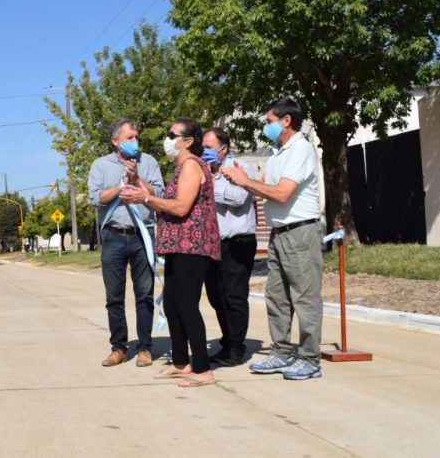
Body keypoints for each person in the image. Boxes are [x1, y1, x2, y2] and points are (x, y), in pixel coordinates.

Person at [222, 97, 324, 381]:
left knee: (304, 298)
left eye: (268, 122)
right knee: (277, 297)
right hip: (280, 234)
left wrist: (245, 182)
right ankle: (281, 352)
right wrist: (244, 180)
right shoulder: (277, 152)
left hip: (300, 232)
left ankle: (309, 358)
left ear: (286, 121)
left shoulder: (300, 149)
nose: (265, 127)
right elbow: (267, 189)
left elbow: (281, 193)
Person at [121, 117, 221, 388]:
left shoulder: (191, 165)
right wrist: (138, 183)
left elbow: (180, 207)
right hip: (178, 244)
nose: (167, 138)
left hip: (192, 245)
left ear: (188, 141)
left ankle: (202, 368)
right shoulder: (180, 167)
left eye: (172, 134)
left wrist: (144, 199)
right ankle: (180, 362)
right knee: (172, 304)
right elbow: (164, 198)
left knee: (187, 305)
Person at [87, 119, 165, 368]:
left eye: (136, 137)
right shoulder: (100, 165)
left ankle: (144, 348)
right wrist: (122, 183)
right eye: (130, 137)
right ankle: (119, 348)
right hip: (113, 236)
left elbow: (160, 194)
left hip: (143, 235)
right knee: (114, 297)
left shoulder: (149, 161)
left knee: (144, 294)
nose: (135, 141)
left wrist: (137, 179)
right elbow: (96, 198)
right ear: (115, 141)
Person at [200, 128, 258, 367]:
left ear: (224, 147)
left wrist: (214, 185)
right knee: (216, 296)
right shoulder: (203, 170)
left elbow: (238, 198)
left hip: (238, 243)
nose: (205, 152)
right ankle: (226, 342)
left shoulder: (241, 167)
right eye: (202, 147)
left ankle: (237, 348)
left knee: (234, 296)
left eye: (210, 147)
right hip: (212, 244)